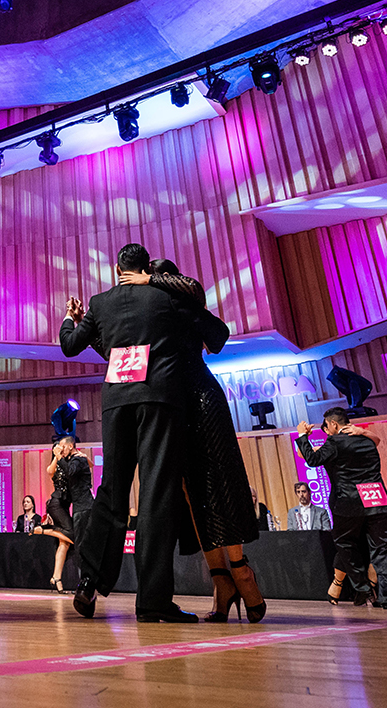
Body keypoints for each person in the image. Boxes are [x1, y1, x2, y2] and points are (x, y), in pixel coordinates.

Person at [60, 242, 216, 623]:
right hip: (160, 398)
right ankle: (153, 602)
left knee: (112, 490)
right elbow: (214, 330)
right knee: (156, 496)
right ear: (147, 267)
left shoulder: (100, 303)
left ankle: (88, 582)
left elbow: (69, 345)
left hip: (116, 401)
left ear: (117, 268)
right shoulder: (165, 298)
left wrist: (70, 318)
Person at [119, 259, 264, 623]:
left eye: (150, 280)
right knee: (186, 493)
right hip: (167, 404)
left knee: (219, 484)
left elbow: (213, 325)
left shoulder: (184, 304)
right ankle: (220, 580)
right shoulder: (146, 314)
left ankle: (240, 569)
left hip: (201, 398)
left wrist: (153, 278)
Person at [296, 407, 387, 609]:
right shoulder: (367, 440)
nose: (326, 431)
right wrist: (365, 432)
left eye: (326, 426)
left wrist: (302, 435)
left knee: (345, 543)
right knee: (386, 550)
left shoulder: (333, 443)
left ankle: (362, 588)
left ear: (333, 424)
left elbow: (311, 459)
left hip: (349, 503)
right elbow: (377, 441)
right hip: (378, 501)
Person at [32, 435, 92, 592]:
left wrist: (83, 455)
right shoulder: (59, 463)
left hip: (66, 505)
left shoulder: (73, 460)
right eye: (59, 448)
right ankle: (42, 529)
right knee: (72, 535)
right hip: (56, 504)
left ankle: (56, 578)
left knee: (64, 543)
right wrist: (57, 456)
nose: (62, 450)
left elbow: (87, 466)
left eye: (63, 447)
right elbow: (49, 471)